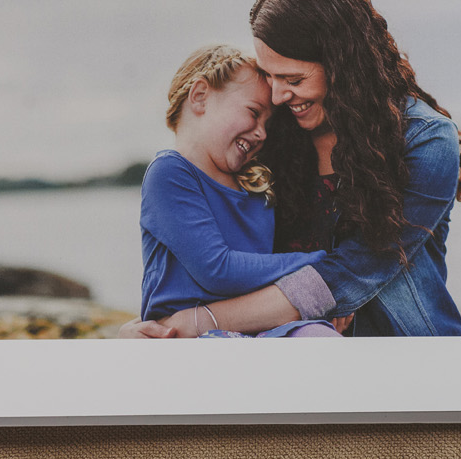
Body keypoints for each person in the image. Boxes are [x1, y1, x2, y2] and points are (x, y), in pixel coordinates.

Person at [124, 0, 461, 338]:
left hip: (402, 354)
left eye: (293, 80)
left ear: (342, 65)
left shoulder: (425, 141)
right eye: (271, 77)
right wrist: (144, 332)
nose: (276, 97)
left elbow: (344, 279)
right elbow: (215, 253)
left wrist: (197, 322)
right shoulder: (278, 132)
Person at [136, 44, 343, 338]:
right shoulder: (169, 173)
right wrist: (322, 264)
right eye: (253, 112)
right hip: (190, 336)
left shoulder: (256, 184)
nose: (262, 132)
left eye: (267, 123)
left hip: (260, 323)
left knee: (321, 339)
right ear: (200, 97)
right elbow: (218, 270)